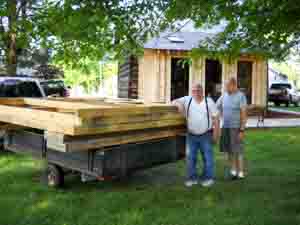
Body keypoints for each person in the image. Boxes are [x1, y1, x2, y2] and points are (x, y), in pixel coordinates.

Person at [173, 83, 219, 187]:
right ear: (191, 92)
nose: (196, 93)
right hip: (191, 135)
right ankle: (191, 178)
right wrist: (180, 106)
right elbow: (174, 101)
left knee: (208, 158)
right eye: (194, 91)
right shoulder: (187, 99)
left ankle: (208, 178)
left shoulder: (209, 101)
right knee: (190, 158)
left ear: (202, 91)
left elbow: (216, 118)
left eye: (198, 90)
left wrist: (216, 134)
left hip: (206, 135)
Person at [216, 77, 248, 179]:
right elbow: (216, 106)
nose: (225, 88)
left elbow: (244, 114)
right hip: (226, 127)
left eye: (227, 86)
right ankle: (233, 171)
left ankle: (241, 172)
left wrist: (242, 130)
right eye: (225, 86)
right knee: (229, 150)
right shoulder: (224, 96)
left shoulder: (241, 96)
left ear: (234, 85)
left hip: (236, 127)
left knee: (238, 150)